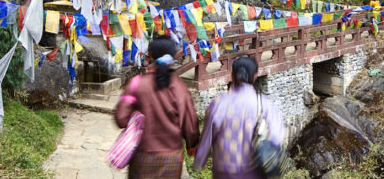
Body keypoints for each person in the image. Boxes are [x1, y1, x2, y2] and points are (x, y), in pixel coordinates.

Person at [115, 36, 200, 179]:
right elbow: (189, 124)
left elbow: (121, 119)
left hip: (143, 156)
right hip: (171, 158)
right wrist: (192, 145)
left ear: (150, 56)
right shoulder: (180, 88)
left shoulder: (136, 84)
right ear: (173, 57)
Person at [194, 56, 285, 179]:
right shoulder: (263, 104)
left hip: (223, 172)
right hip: (254, 172)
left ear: (231, 75)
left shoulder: (218, 103)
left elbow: (207, 137)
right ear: (255, 76)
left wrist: (199, 162)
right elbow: (277, 136)